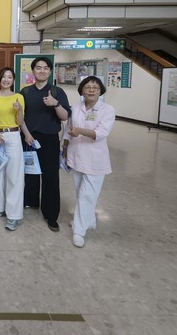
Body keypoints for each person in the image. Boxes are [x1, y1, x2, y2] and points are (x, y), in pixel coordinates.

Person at [63, 76, 115, 248]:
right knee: (80, 192)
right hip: (76, 155)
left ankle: (79, 231)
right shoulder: (75, 108)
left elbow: (101, 133)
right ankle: (89, 220)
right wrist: (64, 148)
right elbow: (68, 129)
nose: (92, 90)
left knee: (88, 195)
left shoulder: (107, 110)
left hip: (95, 159)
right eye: (88, 87)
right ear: (82, 90)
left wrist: (81, 131)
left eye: (96, 88)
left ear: (101, 91)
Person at [20, 56, 71, 232]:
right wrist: (26, 134)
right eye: (38, 68)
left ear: (49, 71)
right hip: (29, 138)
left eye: (45, 68)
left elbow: (65, 116)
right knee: (30, 172)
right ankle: (31, 201)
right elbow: (20, 117)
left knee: (50, 176)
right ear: (33, 71)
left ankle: (51, 214)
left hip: (49, 138)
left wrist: (55, 104)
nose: (42, 71)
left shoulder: (57, 92)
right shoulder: (25, 92)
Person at [0, 67, 25, 231]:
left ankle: (14, 215)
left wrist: (19, 109)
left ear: (13, 80)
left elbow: (20, 122)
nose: (6, 80)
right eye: (4, 77)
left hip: (13, 137)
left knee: (14, 177)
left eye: (9, 77)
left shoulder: (18, 97)